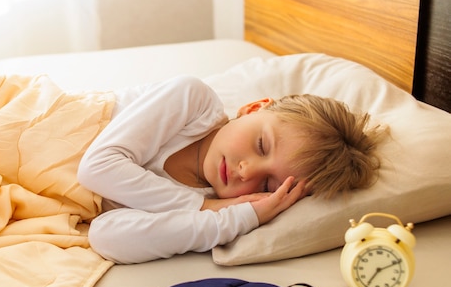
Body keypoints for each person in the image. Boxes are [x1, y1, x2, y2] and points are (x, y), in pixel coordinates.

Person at [77, 75, 384, 264]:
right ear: (253, 108)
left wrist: (233, 218)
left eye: (266, 186)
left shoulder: (213, 204)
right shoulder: (193, 102)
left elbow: (106, 236)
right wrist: (202, 206)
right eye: (262, 144)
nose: (246, 170)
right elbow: (97, 168)